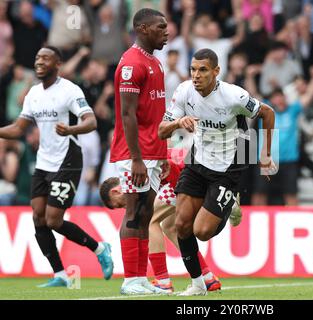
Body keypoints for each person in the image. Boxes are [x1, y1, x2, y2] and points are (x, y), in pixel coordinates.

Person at [158, 48, 276, 296]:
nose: (196, 75)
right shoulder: (184, 91)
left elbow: (267, 113)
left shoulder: (234, 96)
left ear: (216, 71)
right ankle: (198, 284)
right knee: (181, 224)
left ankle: (229, 201)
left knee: (202, 231)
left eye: (202, 70)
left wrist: (265, 154)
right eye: (193, 69)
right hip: (197, 160)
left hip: (227, 168)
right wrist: (179, 122)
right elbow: (161, 131)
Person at [0, 46, 113, 288]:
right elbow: (19, 129)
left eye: (45, 58)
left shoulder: (70, 91)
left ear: (58, 63)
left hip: (68, 159)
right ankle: (60, 274)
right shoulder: (32, 94)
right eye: (37, 57)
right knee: (38, 217)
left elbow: (91, 121)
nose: (39, 61)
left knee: (53, 220)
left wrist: (72, 129)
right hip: (44, 161)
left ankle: (100, 248)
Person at [99, 149, 243, 293]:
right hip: (185, 177)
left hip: (183, 180)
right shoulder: (137, 164)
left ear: (115, 191)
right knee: (170, 227)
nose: (125, 207)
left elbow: (168, 165)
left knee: (149, 220)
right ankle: (207, 277)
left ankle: (163, 280)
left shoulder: (133, 168)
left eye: (119, 204)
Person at [110, 8, 170, 296]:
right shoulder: (132, 64)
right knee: (134, 213)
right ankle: (130, 280)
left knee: (145, 215)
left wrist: (163, 154)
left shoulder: (154, 62)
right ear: (143, 29)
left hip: (152, 152)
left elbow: (155, 113)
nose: (166, 31)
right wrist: (136, 158)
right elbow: (128, 115)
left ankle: (140, 278)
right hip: (135, 154)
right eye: (160, 27)